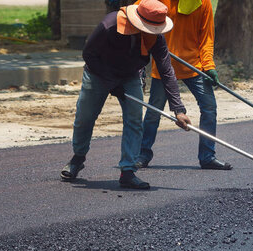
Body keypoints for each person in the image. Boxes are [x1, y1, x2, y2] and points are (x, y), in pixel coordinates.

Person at [60, 0, 191, 190]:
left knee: (134, 120)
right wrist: (111, 84)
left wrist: (178, 109)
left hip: (130, 75)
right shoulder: (110, 25)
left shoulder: (156, 37)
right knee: (84, 118)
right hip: (98, 73)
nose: (153, 32)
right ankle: (77, 158)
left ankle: (127, 171)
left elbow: (166, 70)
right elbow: (89, 54)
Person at [135, 0, 232, 170]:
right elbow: (136, 13)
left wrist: (209, 66)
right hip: (163, 65)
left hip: (194, 65)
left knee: (209, 108)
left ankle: (207, 157)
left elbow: (207, 37)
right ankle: (142, 154)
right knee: (153, 112)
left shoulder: (203, 3)